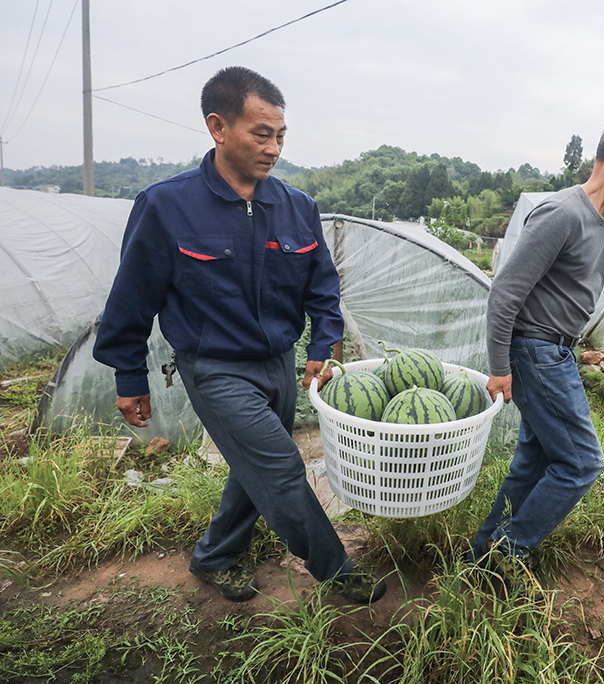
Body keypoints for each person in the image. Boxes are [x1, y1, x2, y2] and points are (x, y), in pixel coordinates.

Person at [93, 66, 385, 604]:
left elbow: (321, 285)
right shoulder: (166, 205)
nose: (273, 148)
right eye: (260, 134)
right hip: (214, 367)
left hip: (278, 363)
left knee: (255, 466)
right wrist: (129, 375)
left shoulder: (296, 206)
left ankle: (214, 555)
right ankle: (336, 568)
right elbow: (133, 299)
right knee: (279, 466)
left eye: (280, 136)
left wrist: (321, 346)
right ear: (217, 127)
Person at [465, 118, 604, 596]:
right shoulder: (561, 214)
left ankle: (480, 555)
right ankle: (506, 554)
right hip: (535, 351)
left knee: (534, 461)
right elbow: (504, 295)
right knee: (581, 463)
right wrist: (499, 367)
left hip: (556, 352)